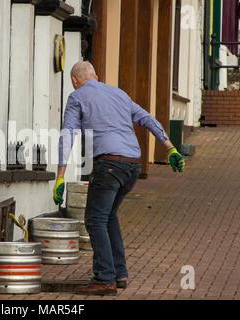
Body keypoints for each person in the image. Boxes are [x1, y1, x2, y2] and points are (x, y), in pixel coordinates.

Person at [53, 61, 185, 296]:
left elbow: (68, 135)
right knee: (108, 216)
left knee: (94, 220)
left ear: (74, 81)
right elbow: (147, 119)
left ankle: (104, 279)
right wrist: (170, 148)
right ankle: (119, 274)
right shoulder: (119, 94)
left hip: (109, 164)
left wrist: (60, 177)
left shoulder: (77, 97)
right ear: (96, 76)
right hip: (133, 164)